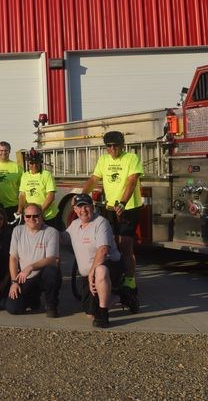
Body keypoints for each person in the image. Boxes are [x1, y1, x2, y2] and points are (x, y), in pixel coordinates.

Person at [80, 130, 143, 309]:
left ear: (122, 145)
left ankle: (130, 281)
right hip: (109, 207)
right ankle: (115, 276)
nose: (113, 149)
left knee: (125, 244)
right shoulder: (104, 159)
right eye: (109, 146)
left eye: (116, 145)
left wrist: (123, 202)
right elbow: (94, 179)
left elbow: (131, 181)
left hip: (128, 207)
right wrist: (81, 196)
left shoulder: (131, 158)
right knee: (110, 244)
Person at [65, 194, 124, 328]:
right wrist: (42, 230)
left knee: (100, 270)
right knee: (90, 314)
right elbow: (61, 239)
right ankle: (119, 296)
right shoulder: (74, 225)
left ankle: (104, 315)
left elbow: (103, 250)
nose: (83, 210)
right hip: (90, 274)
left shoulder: (101, 223)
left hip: (110, 267)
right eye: (79, 207)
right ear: (75, 210)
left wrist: (92, 272)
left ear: (92, 207)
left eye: (86, 206)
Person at [5, 203, 62, 317]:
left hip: (42, 274)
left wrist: (31, 267)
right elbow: (13, 258)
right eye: (28, 216)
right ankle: (33, 298)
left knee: (52, 271)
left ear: (42, 216)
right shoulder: (17, 230)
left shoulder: (51, 232)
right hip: (25, 277)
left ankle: (51, 305)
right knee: (13, 309)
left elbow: (52, 259)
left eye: (36, 216)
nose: (32, 219)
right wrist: (14, 282)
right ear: (24, 217)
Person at [17, 149, 60, 230]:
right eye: (32, 163)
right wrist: (19, 210)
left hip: (47, 216)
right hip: (32, 217)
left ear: (40, 163)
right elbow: (22, 195)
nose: (34, 166)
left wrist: (40, 212)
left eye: (37, 162)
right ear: (28, 163)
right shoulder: (25, 176)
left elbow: (51, 196)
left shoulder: (46, 175)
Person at [0, 141, 22, 217]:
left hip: (12, 206)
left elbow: (23, 189)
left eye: (6, 150)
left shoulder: (17, 167)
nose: (3, 152)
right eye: (1, 150)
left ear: (9, 151)